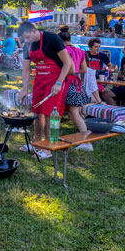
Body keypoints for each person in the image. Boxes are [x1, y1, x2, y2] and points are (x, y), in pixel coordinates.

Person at [18, 21, 89, 153]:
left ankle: (49, 148)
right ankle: (37, 143)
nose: (26, 41)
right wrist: (25, 89)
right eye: (24, 39)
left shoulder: (52, 39)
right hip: (40, 81)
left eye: (27, 37)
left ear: (33, 30)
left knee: (51, 114)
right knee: (37, 113)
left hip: (55, 80)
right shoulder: (28, 45)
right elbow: (26, 69)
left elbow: (68, 63)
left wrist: (59, 83)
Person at [84, 38, 111, 103]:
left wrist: (106, 72)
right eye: (96, 47)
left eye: (99, 46)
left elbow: (110, 65)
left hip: (98, 79)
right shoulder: (85, 54)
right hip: (86, 79)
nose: (98, 48)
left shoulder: (102, 56)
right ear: (90, 47)